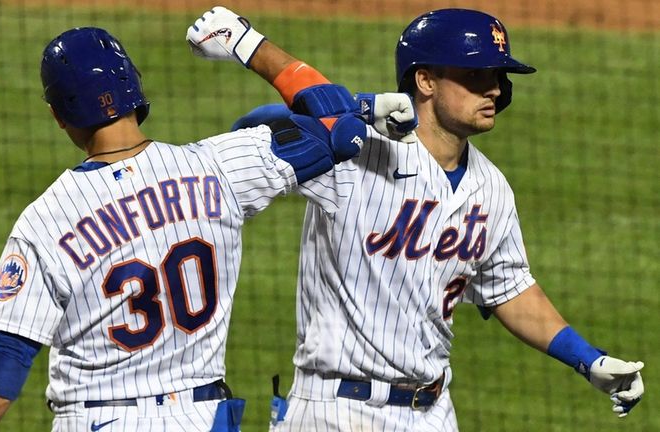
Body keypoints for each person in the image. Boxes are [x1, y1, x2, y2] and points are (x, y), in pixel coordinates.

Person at [188, 7, 646, 431]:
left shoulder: (491, 187)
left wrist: (589, 360)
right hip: (336, 411)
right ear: (425, 81)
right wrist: (348, 104)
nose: (494, 89)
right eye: (475, 76)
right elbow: (253, 126)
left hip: (432, 412)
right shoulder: (355, 152)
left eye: (498, 78)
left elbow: (510, 288)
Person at [0, 25, 413, 432]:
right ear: (135, 88)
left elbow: (5, 355)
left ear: (59, 116)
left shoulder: (47, 218)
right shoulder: (220, 167)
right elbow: (333, 127)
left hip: (97, 418)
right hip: (201, 417)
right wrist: (357, 102)